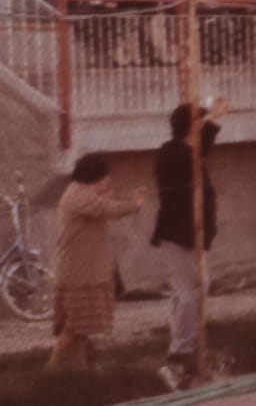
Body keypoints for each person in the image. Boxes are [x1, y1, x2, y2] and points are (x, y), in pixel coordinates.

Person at [151, 98, 228, 387]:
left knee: (188, 290)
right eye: (199, 122)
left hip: (188, 233)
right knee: (193, 289)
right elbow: (195, 154)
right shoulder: (174, 153)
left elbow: (198, 150)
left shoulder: (183, 151)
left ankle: (184, 343)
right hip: (180, 233)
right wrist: (211, 121)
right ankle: (180, 350)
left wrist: (212, 120)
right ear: (190, 126)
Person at [49, 154, 145, 369]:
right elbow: (110, 209)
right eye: (106, 176)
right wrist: (135, 204)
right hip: (79, 275)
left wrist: (107, 194)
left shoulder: (81, 193)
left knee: (81, 330)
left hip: (84, 272)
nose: (109, 180)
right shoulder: (79, 197)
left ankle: (78, 371)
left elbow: (104, 204)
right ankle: (52, 370)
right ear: (98, 177)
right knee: (73, 329)